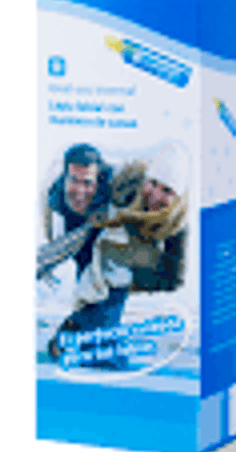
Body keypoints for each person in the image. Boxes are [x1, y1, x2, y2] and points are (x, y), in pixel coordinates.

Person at [47, 142, 189, 365]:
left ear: (177, 197)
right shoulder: (126, 183)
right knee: (94, 294)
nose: (155, 195)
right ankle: (77, 337)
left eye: (167, 190)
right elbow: (96, 179)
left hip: (130, 259)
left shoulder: (177, 223)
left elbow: (172, 277)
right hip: (96, 236)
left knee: (109, 301)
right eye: (153, 183)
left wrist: (130, 276)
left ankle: (79, 338)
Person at [37, 144, 112, 282]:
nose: (80, 190)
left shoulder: (111, 202)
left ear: (97, 182)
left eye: (87, 183)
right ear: (65, 178)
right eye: (74, 180)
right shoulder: (52, 204)